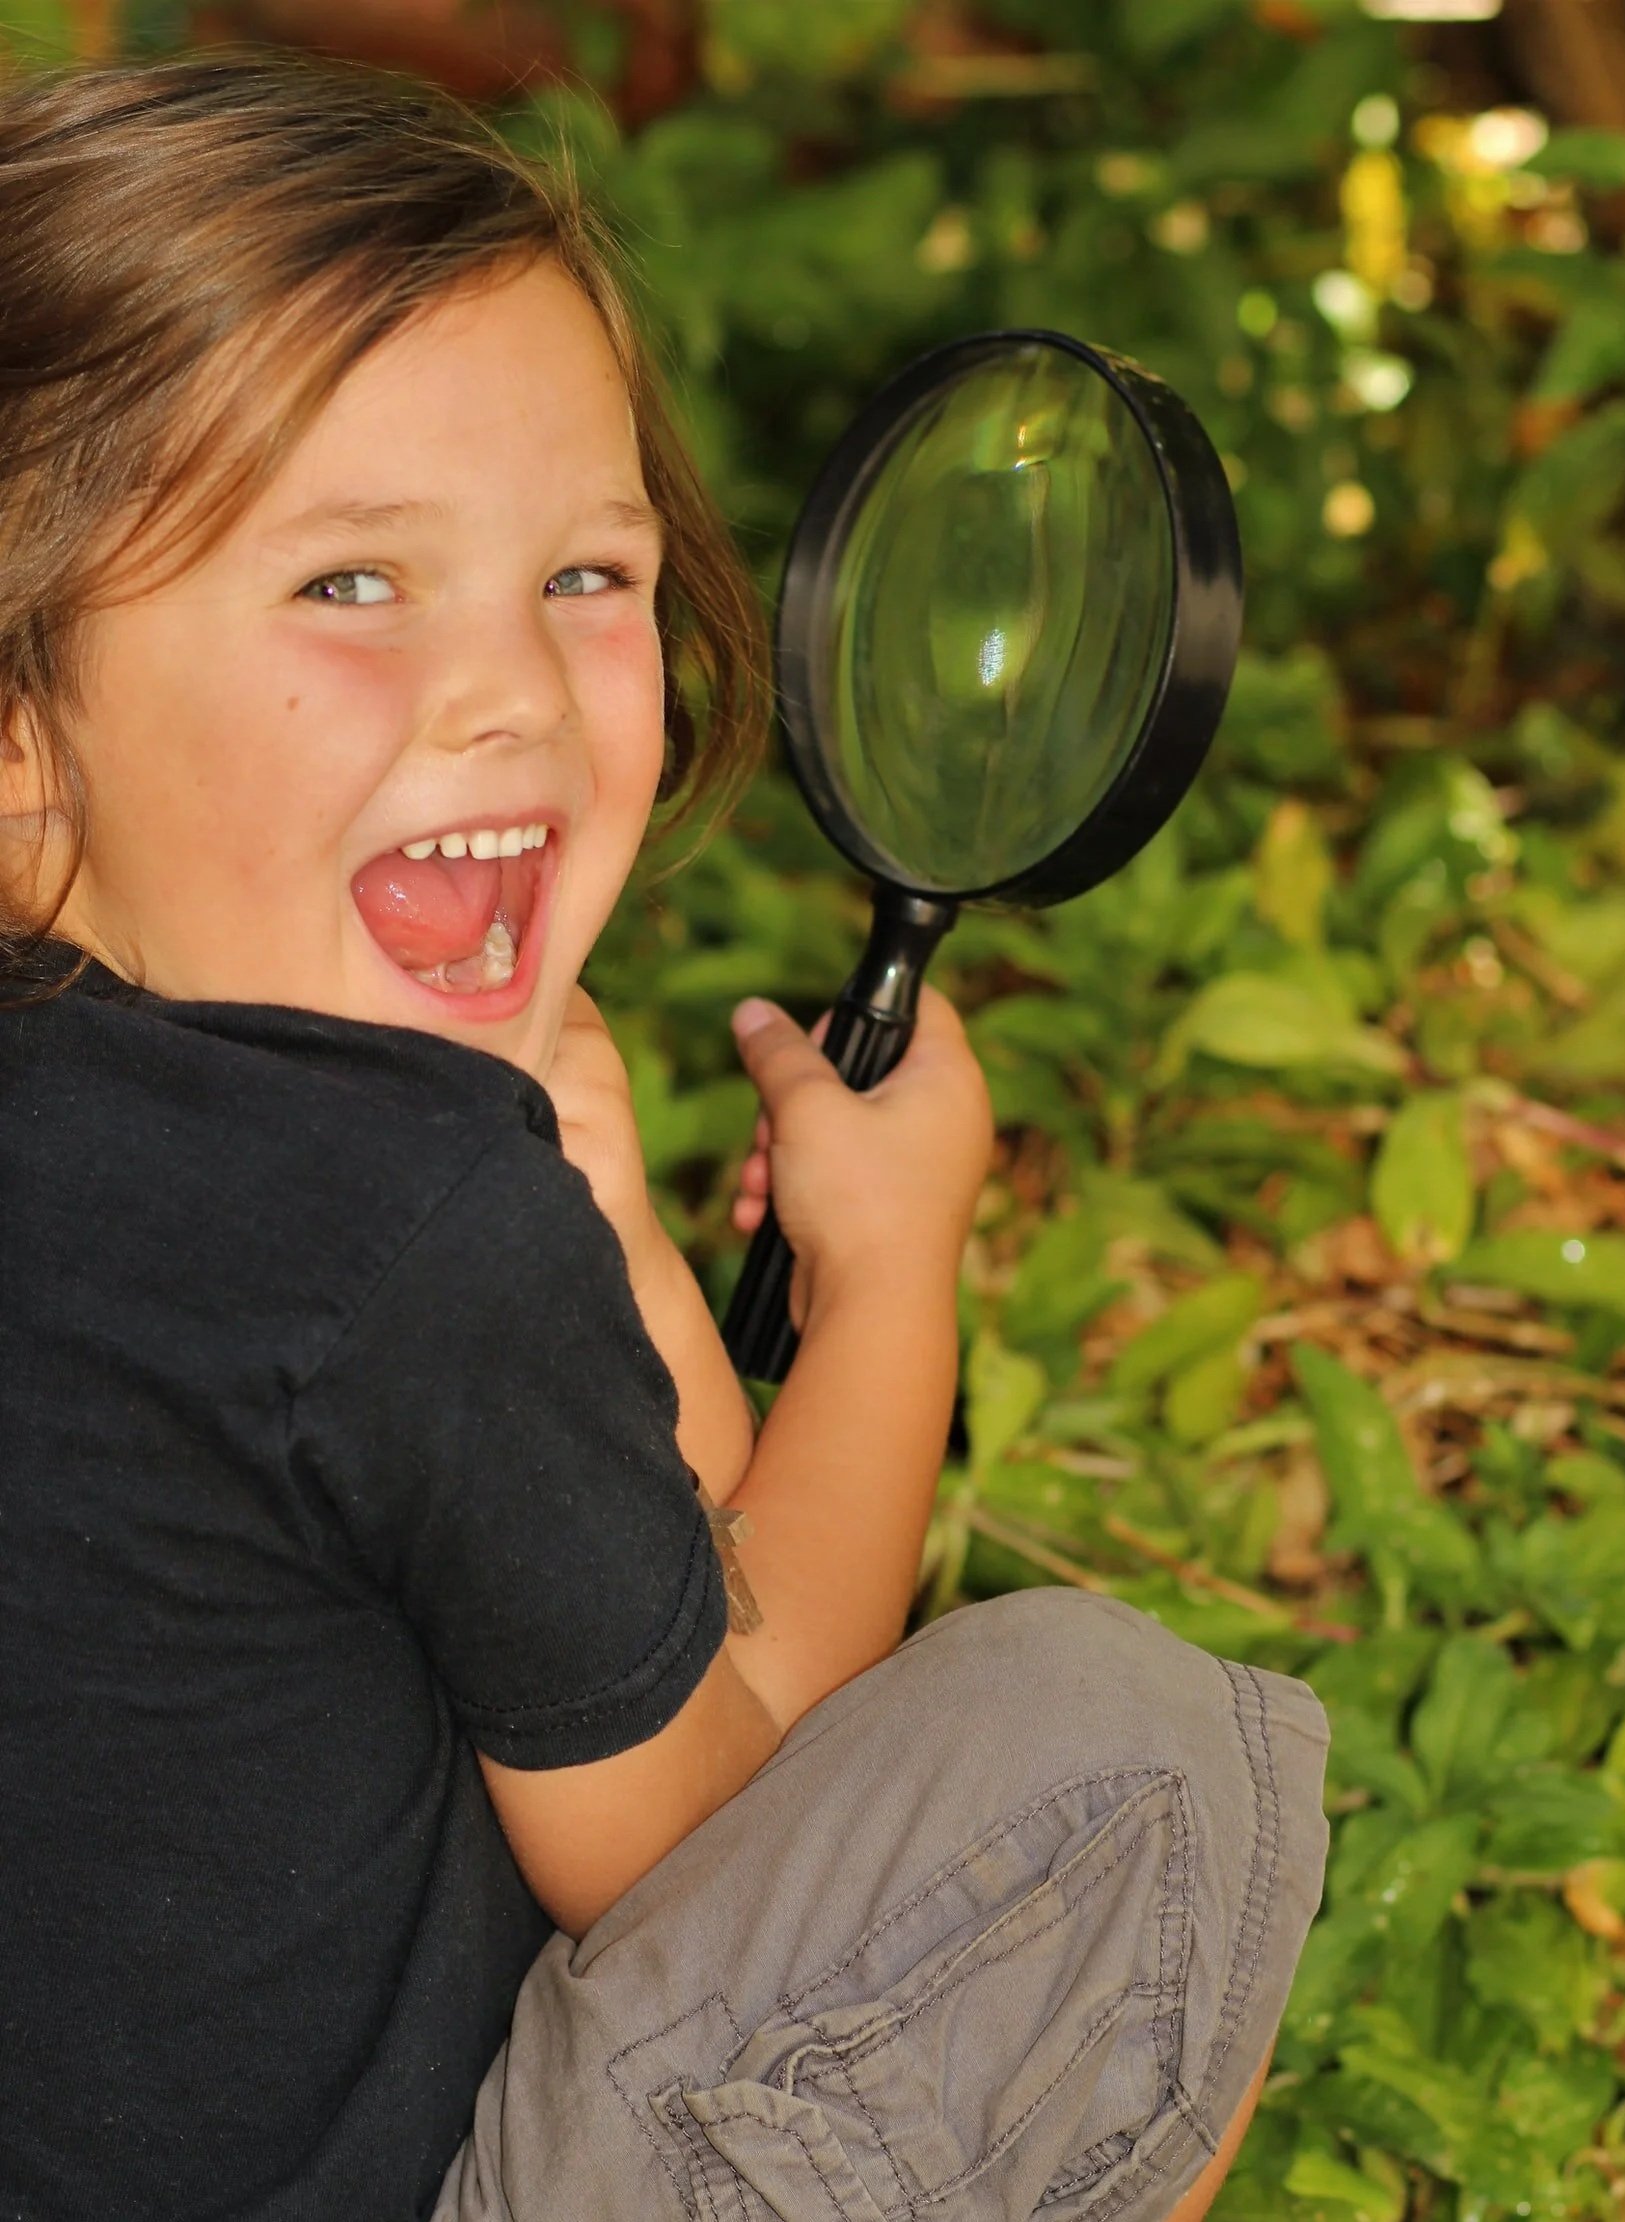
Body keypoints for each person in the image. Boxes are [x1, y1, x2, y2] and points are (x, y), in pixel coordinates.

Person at [0, 48, 1330, 2222]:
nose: (514, 688)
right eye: (352, 584)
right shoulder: (395, 1225)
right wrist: (887, 1289)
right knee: (1114, 1766)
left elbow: (635, 1532)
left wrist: (596, 1213)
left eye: (586, 575)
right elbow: (732, 1817)